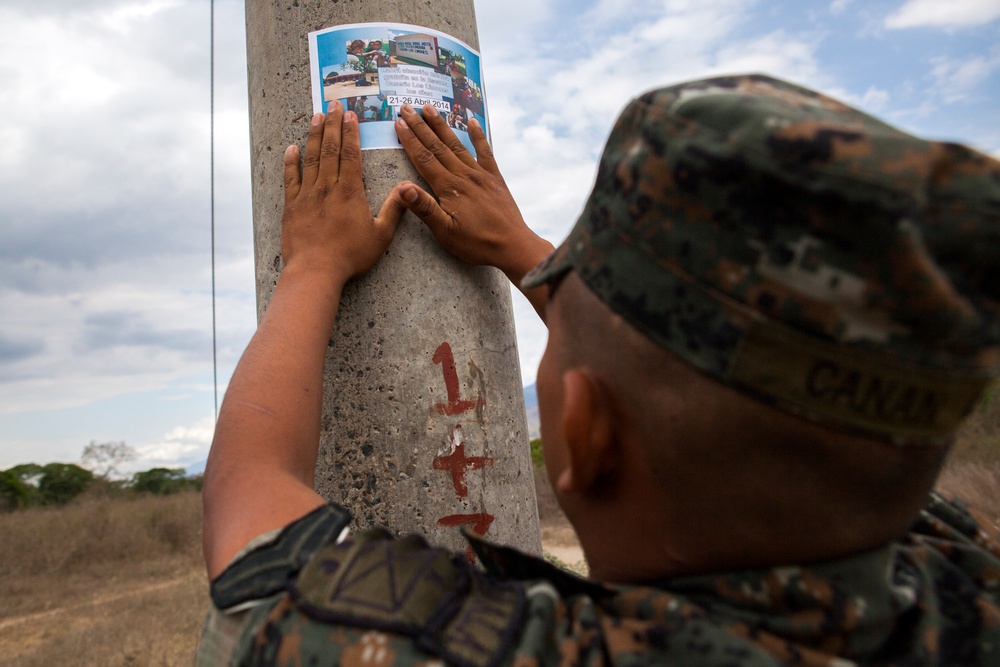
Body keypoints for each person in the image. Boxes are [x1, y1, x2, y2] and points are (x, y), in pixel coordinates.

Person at [197, 74, 1000, 665]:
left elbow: (248, 520)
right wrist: (519, 246)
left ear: (582, 433)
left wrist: (310, 268)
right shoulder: (961, 580)